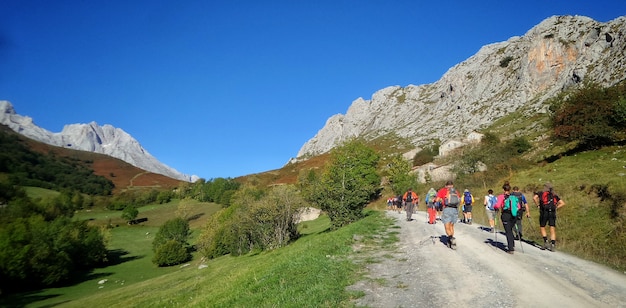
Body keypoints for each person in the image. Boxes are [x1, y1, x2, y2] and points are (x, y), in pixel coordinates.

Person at [533, 182, 565, 251]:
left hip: (544, 212)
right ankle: (553, 244)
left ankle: (545, 241)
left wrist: (538, 205)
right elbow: (562, 203)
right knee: (552, 228)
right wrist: (556, 208)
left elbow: (534, 198)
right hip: (552, 213)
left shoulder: (541, 193)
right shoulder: (554, 195)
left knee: (542, 226)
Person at [494, 183, 520, 254]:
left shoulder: (501, 196)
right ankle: (512, 244)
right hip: (514, 215)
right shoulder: (513, 197)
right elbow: (519, 206)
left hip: (506, 215)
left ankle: (510, 248)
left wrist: (495, 207)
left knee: (508, 231)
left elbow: (497, 205)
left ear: (503, 189)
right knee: (510, 229)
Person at [435, 181, 461, 249]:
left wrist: (436, 200)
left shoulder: (442, 190)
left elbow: (437, 199)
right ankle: (450, 242)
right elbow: (459, 201)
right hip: (455, 210)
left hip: (447, 209)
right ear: (452, 185)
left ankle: (451, 238)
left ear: (445, 185)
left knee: (447, 226)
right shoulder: (455, 191)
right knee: (451, 226)